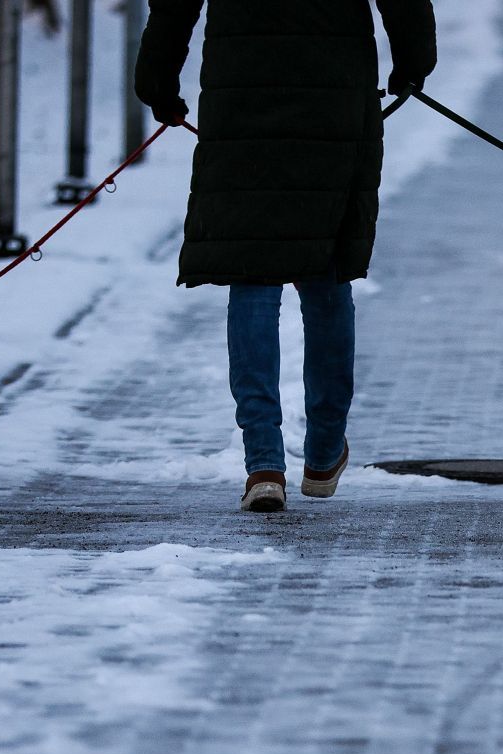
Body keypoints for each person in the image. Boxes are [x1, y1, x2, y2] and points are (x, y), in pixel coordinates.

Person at [135, 0, 437, 513]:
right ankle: (322, 452)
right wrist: (412, 64)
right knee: (326, 275)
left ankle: (263, 465)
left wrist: (158, 83)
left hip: (241, 105)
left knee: (253, 275)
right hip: (336, 100)